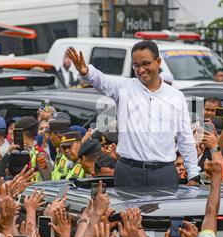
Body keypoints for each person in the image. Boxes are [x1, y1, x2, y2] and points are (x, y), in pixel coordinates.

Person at [65, 40, 200, 189]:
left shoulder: (176, 96)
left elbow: (185, 138)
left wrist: (193, 174)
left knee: (163, 213)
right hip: (128, 172)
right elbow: (102, 81)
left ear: (158, 62)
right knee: (126, 213)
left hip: (163, 174)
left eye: (146, 63)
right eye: (136, 65)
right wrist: (85, 71)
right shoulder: (124, 88)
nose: (141, 69)